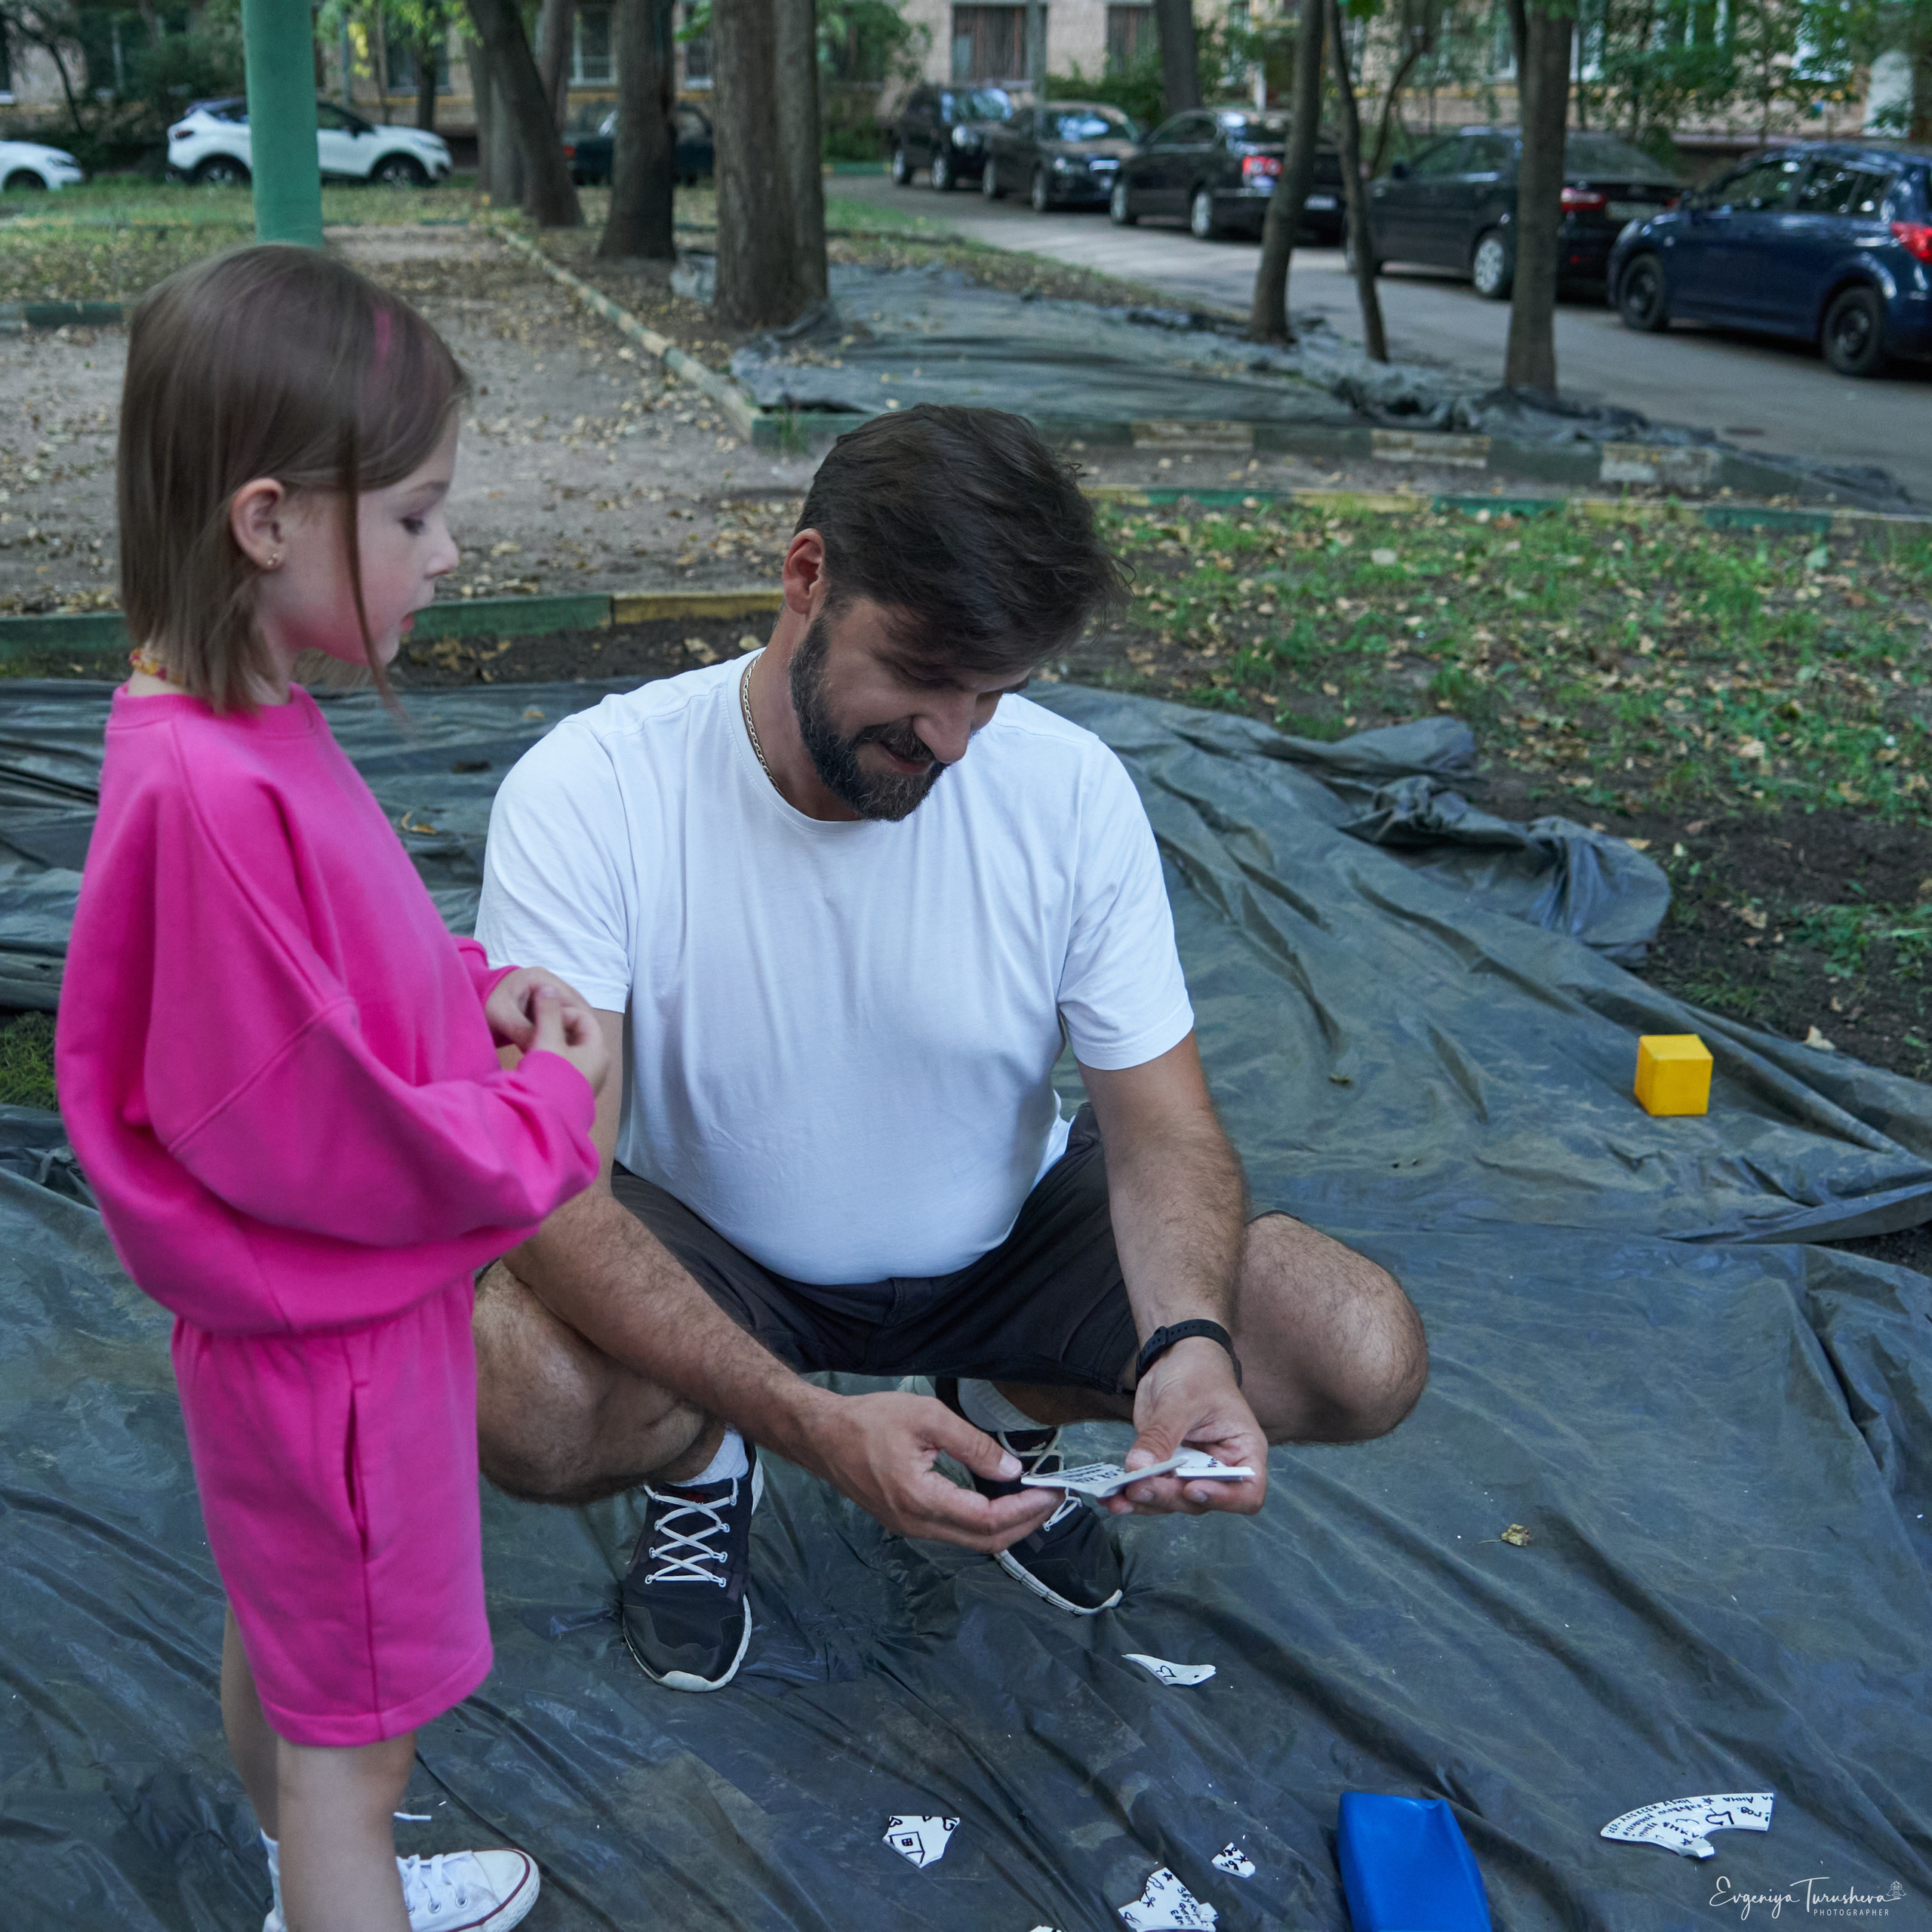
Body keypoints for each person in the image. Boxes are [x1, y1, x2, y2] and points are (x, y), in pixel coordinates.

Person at [474, 405, 1428, 1694]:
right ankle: (708, 1460)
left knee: (1356, 1343)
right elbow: (552, 1194)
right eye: (923, 673)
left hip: (1002, 1239)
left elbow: (1162, 1128)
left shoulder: (1070, 789)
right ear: (807, 577)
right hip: (709, 1256)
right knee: (513, 1388)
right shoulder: (594, 791)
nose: (955, 739)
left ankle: (1004, 1408)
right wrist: (806, 1427)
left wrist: (1185, 1342)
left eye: (997, 691)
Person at [54, 248, 611, 1932]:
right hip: (340, 1364)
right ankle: (339, 1881)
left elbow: (321, 984)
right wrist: (545, 1115)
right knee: (355, 1751)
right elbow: (312, 1122)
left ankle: (316, 1883)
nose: (451, 554)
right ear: (270, 518)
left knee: (293, 1658)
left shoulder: (229, 723)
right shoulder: (217, 788)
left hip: (303, 1357)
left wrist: (464, 986)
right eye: (420, 515)